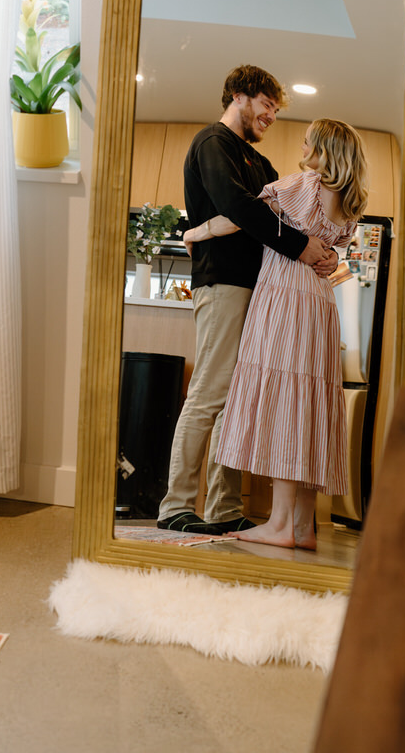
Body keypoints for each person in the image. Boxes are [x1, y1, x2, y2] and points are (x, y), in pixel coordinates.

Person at [156, 66, 337, 536]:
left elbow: (280, 214)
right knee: (211, 394)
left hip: (260, 291)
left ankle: (223, 507)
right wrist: (300, 247)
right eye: (267, 105)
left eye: (275, 109)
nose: (272, 116)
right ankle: (175, 505)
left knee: (238, 401)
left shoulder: (263, 165)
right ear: (240, 96)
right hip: (225, 283)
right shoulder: (212, 143)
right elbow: (238, 208)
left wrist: (323, 248)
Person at [184, 118, 368, 550]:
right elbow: (333, 249)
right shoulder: (350, 201)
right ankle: (303, 527)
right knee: (307, 405)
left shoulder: (304, 186)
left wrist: (194, 232)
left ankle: (281, 523)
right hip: (321, 304)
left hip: (286, 298)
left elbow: (240, 217)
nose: (302, 143)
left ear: (323, 149)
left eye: (309, 139)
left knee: (286, 403)